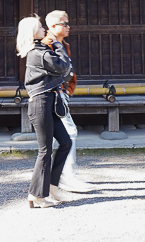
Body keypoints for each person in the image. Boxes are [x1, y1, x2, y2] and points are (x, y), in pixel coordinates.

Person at [16, 15, 72, 208]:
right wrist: (57, 44)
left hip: (49, 102)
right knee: (45, 150)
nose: (44, 29)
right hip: (40, 103)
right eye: (40, 27)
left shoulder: (40, 49)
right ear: (33, 32)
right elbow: (63, 67)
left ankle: (51, 186)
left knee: (65, 142)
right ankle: (36, 195)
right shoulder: (37, 53)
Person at [44, 10, 95, 193]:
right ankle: (67, 177)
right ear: (53, 26)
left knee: (60, 137)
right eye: (64, 23)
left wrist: (68, 88)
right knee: (69, 133)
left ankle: (57, 177)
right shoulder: (47, 45)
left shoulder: (62, 44)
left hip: (60, 94)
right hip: (52, 95)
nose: (68, 27)